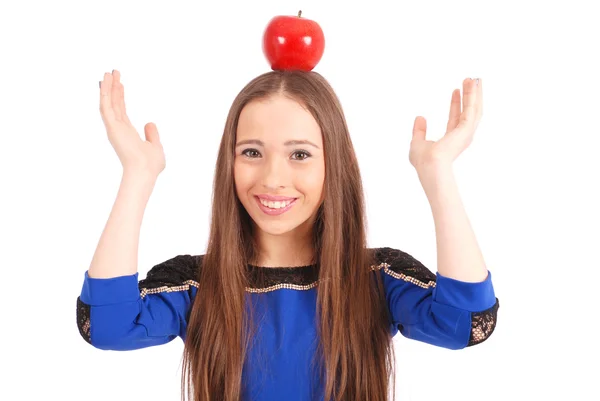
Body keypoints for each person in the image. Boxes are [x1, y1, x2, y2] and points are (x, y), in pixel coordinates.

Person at [76, 69, 499, 401]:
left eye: (300, 154)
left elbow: (466, 323)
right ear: (230, 161)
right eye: (252, 153)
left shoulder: (375, 278)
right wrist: (137, 174)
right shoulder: (196, 286)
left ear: (335, 164)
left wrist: (438, 173)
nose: (273, 178)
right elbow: (106, 325)